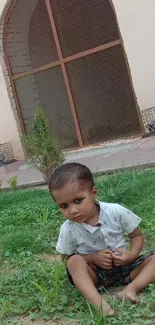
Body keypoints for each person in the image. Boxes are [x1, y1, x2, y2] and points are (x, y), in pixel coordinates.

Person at [49, 163, 155, 317]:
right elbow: (65, 259)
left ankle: (131, 289)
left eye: (78, 200)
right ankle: (98, 303)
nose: (72, 210)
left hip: (125, 267)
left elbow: (136, 235)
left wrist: (131, 256)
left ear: (93, 192)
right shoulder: (68, 228)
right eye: (63, 206)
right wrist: (92, 258)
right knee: (74, 262)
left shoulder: (115, 211)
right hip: (95, 275)